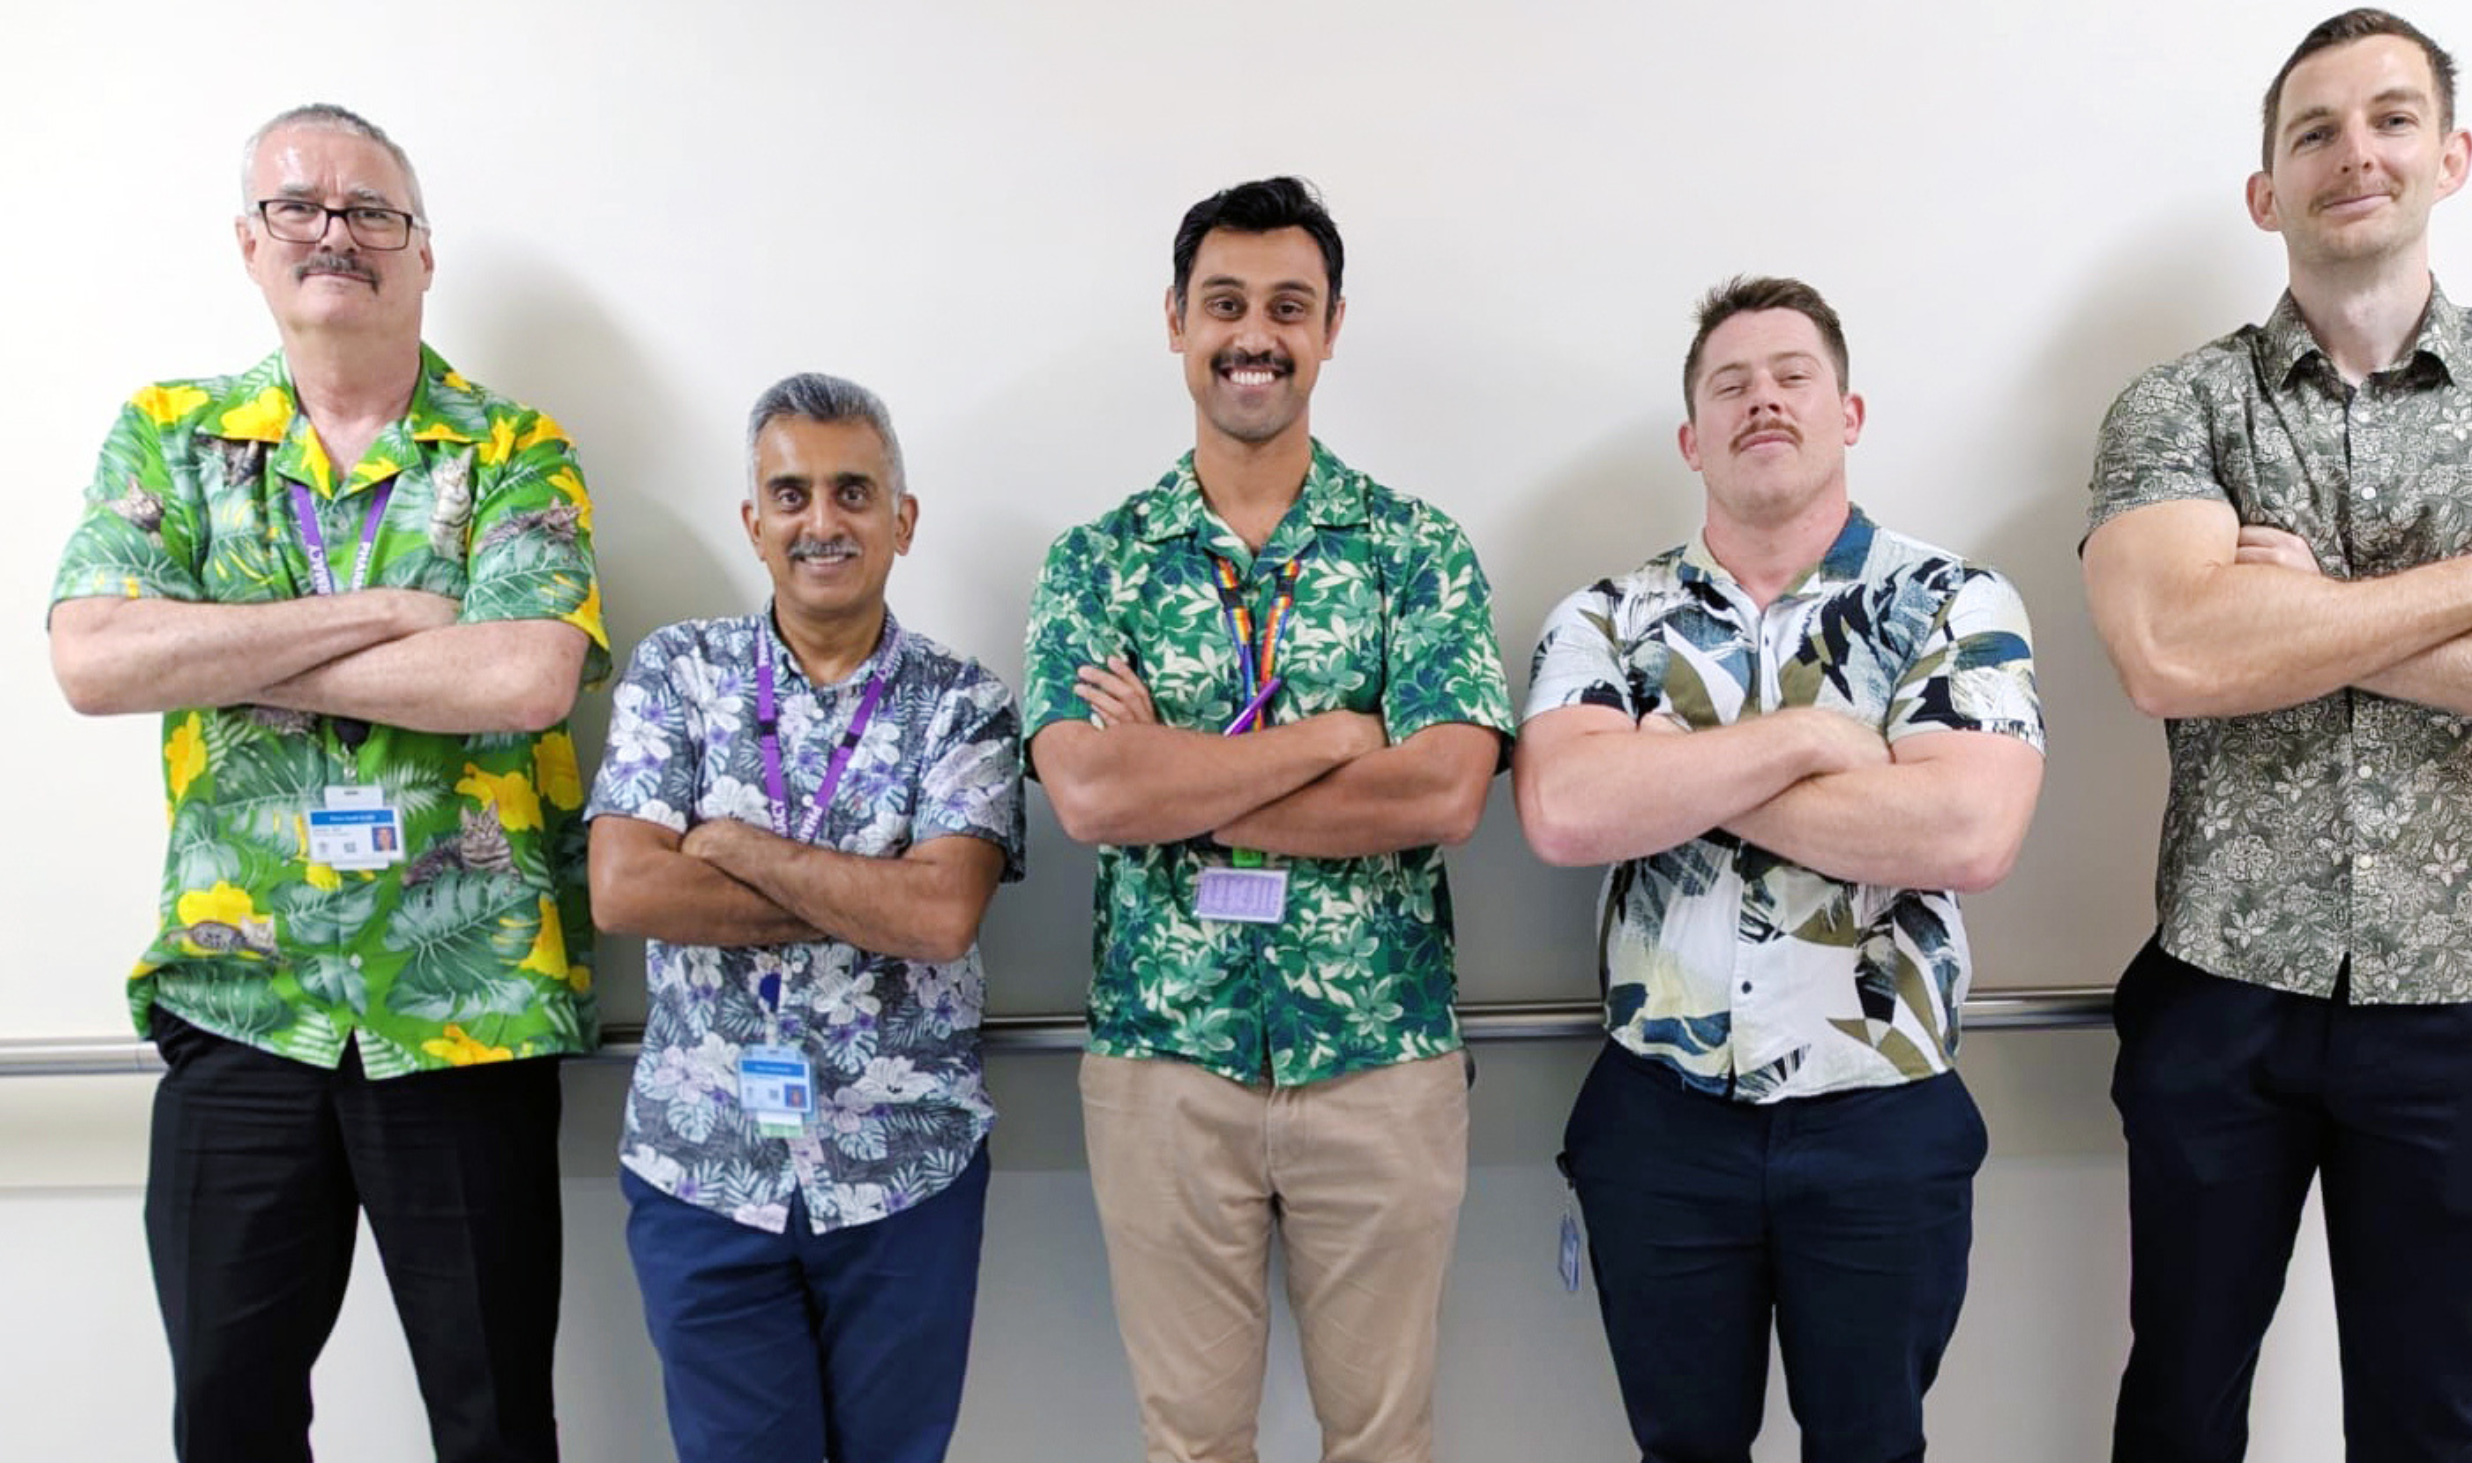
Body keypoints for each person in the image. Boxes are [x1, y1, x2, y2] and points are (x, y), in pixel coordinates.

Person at [2080, 11, 2472, 1461]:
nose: (2355, 150)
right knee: (2175, 1404)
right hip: (2222, 990)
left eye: (2392, 118)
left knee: (2425, 1421)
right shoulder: (2179, 404)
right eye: (2314, 131)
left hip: (2471, 1002)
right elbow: (2171, 649)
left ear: (2451, 155)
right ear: (2267, 191)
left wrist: (2306, 621)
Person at [47, 103, 610, 1463]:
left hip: (461, 1010)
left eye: (370, 212)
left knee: (494, 1426)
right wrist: (395, 614)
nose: (334, 233)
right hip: (240, 1003)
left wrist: (229, 653)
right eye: (298, 207)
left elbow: (523, 676)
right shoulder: (170, 437)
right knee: (228, 1421)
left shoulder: (513, 447)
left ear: (422, 256)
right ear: (250, 242)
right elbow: (93, 655)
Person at [1022, 175, 1513, 1463]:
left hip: (1380, 1060)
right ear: (1176, 322)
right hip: (1164, 1063)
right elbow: (1087, 791)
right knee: (1190, 1443)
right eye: (1225, 303)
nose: (1256, 334)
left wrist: (1173, 779)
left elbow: (1444, 791)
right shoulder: (1099, 558)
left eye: (1288, 306)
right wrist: (1330, 741)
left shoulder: (1416, 550)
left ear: (1332, 326)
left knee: (1384, 1439)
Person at [1515, 275, 2045, 1463]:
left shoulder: (1952, 602)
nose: (1765, 399)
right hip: (1662, 1116)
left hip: (1882, 1116)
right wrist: (1813, 742)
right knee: (1682, 1448)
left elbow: (1968, 832)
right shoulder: (1607, 617)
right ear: (1692, 436)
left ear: (1847, 412)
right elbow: (1563, 809)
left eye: (1793, 374)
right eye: (1731, 383)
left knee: (1871, 1446)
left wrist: (1678, 773)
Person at [588, 372, 1021, 1463]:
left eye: (853, 492)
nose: (821, 521)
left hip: (902, 1173)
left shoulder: (966, 702)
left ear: (902, 520)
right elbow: (627, 888)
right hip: (703, 1169)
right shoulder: (676, 674)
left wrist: (735, 848)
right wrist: (857, 887)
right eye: (790, 494)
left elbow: (937, 918)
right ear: (753, 520)